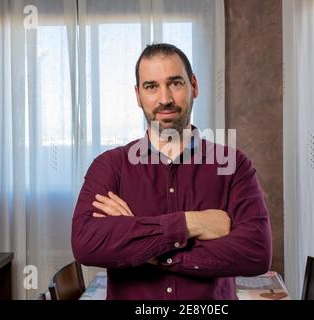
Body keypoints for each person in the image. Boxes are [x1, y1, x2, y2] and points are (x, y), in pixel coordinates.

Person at [71, 43, 272, 300]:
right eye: (151, 86)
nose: (164, 98)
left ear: (194, 86)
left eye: (175, 83)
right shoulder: (110, 166)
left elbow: (256, 252)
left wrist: (142, 244)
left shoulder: (233, 165)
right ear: (138, 95)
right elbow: (87, 245)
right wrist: (192, 223)